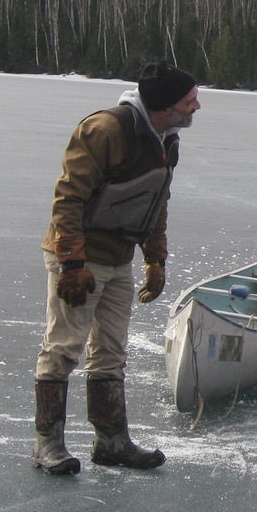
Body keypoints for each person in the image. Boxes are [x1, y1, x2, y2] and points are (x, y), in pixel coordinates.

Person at [32, 58, 199, 475]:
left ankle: (112, 441)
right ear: (165, 105)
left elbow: (156, 201)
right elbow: (68, 198)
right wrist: (71, 263)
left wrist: (155, 257)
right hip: (81, 258)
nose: (197, 107)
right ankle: (47, 445)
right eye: (190, 101)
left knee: (110, 352)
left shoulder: (167, 137)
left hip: (118, 258)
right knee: (63, 348)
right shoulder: (104, 130)